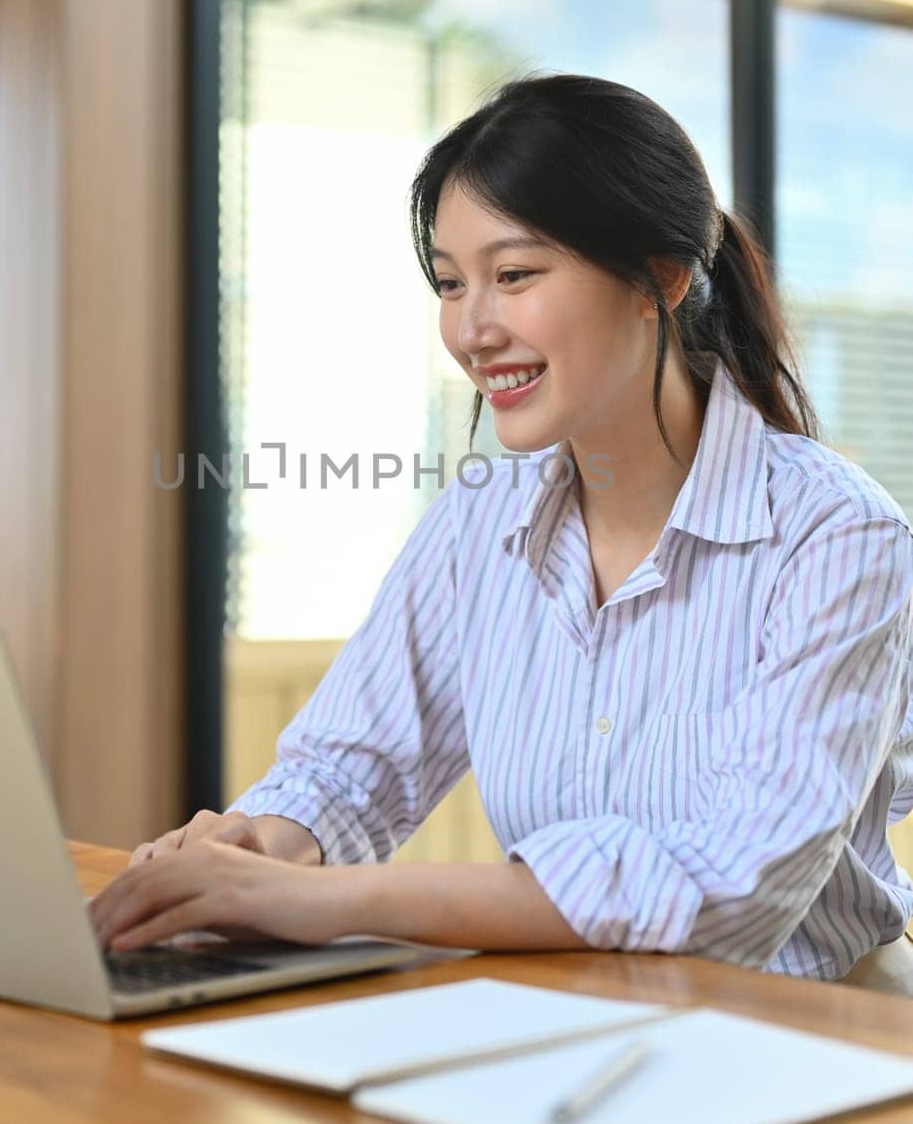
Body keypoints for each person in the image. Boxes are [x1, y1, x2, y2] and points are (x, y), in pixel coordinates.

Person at [89, 72, 913, 993]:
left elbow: (729, 891)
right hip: (565, 1010)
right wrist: (257, 850)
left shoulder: (837, 537)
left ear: (662, 279)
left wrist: (330, 902)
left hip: (809, 1028)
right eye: (450, 283)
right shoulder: (481, 517)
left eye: (513, 276)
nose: (471, 330)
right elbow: (353, 765)